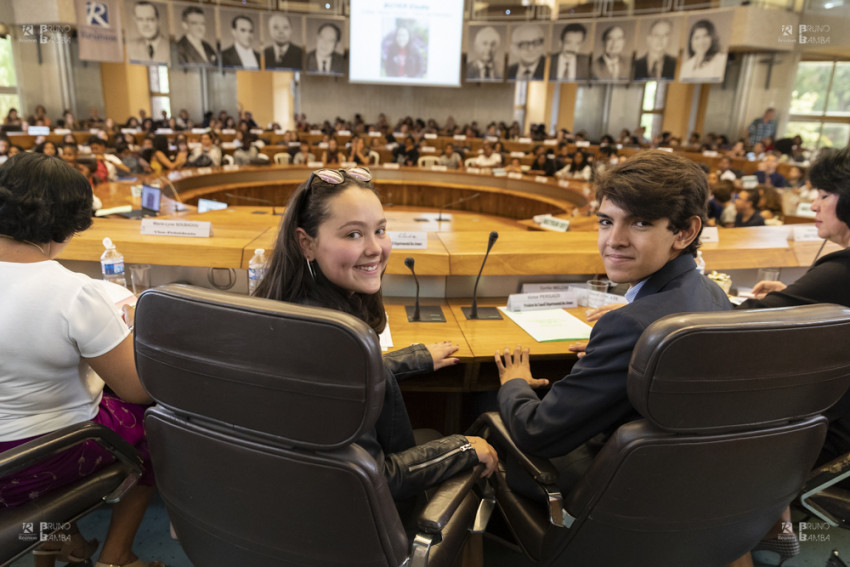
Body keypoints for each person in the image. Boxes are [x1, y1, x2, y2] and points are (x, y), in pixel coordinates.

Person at [252, 167, 498, 501]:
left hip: (291, 497)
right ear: (306, 243)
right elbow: (374, 474)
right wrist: (465, 448)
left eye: (380, 230)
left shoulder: (289, 311)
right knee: (473, 456)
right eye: (353, 234)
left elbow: (345, 375)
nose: (375, 249)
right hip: (351, 517)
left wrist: (413, 359)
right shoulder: (335, 340)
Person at [493, 151, 731, 496]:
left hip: (621, 489)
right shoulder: (712, 293)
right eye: (606, 221)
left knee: (489, 406)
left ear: (685, 232)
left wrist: (514, 383)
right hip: (690, 484)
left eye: (640, 223)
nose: (614, 240)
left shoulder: (632, 326)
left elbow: (537, 432)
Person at [0, 153, 162, 567]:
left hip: (7, 463)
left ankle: (56, 536)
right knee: (156, 428)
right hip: (39, 461)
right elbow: (136, 389)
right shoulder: (73, 293)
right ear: (69, 223)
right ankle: (117, 554)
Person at [737, 147, 850, 566]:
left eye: (824, 193)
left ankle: (749, 539)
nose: (814, 204)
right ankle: (776, 528)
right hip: (833, 416)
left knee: (715, 432)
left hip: (832, 433)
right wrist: (789, 300)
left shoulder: (842, 271)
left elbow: (740, 324)